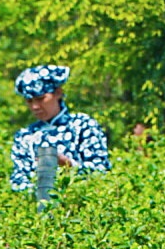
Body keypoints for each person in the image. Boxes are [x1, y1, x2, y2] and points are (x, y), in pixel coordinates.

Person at [8, 65, 111, 193]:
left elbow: (100, 173)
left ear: (58, 92)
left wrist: (69, 166)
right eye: (29, 101)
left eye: (41, 99)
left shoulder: (83, 125)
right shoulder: (25, 136)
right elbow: (17, 181)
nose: (35, 106)